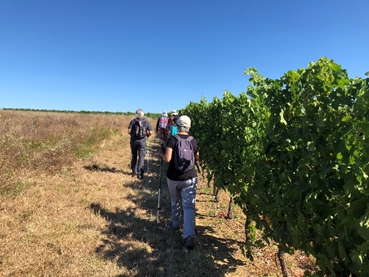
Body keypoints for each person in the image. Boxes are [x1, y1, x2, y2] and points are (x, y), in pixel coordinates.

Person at [159, 115, 199, 250]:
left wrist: (161, 153)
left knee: (175, 201)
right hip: (190, 177)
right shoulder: (193, 140)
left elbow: (168, 159)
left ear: (177, 125)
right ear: (189, 126)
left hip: (174, 177)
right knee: (189, 206)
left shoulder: (173, 139)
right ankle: (189, 235)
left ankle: (176, 224)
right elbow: (196, 159)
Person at [128, 109, 153, 179]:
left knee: (134, 155)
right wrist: (146, 135)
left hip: (133, 141)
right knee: (141, 156)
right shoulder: (146, 121)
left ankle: (133, 171)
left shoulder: (133, 121)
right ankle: (140, 173)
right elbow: (151, 132)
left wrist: (132, 135)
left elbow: (128, 131)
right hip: (142, 141)